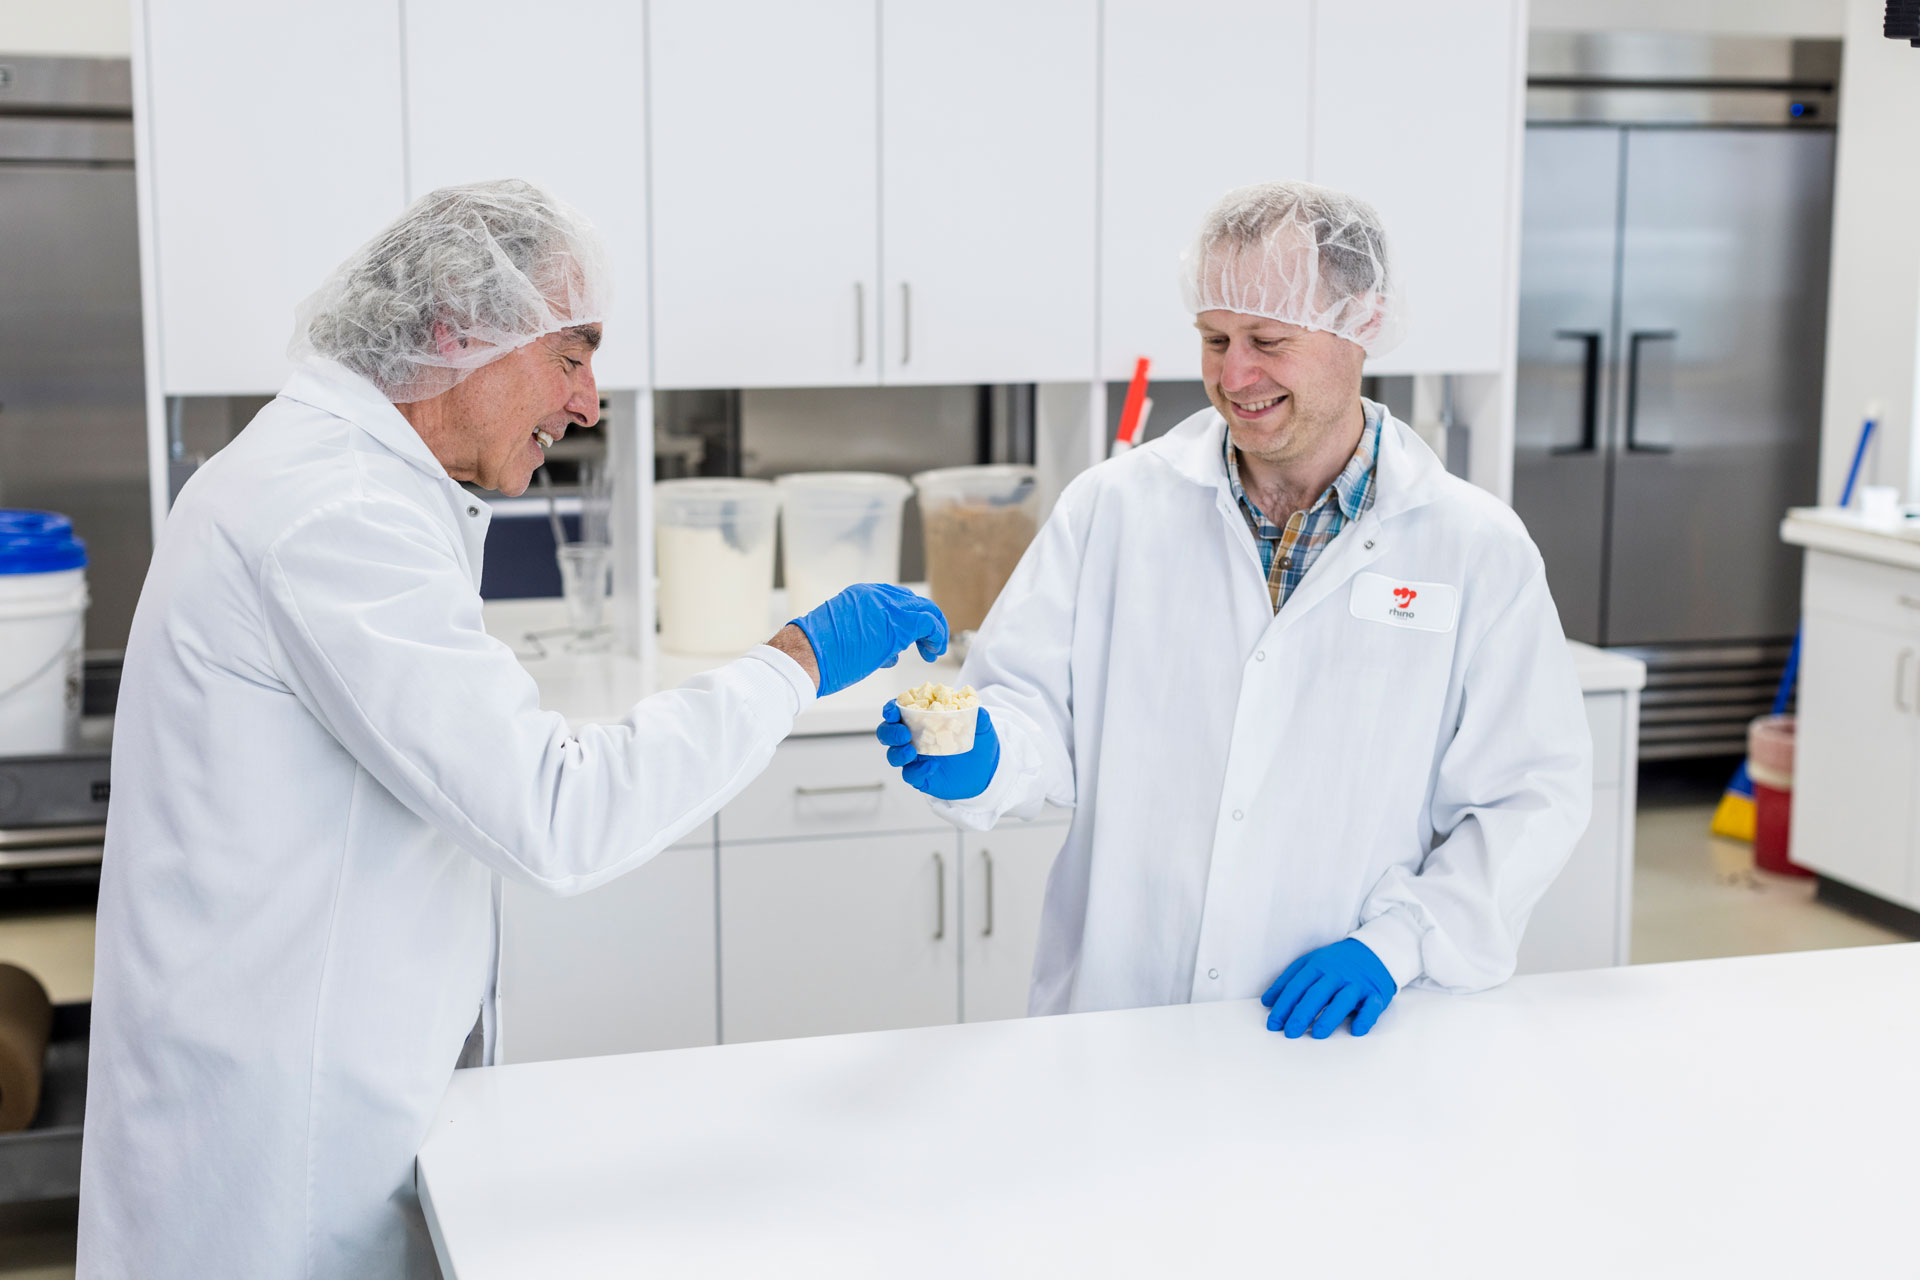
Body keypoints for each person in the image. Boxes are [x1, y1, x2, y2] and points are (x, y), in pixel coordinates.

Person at [77, 180, 946, 1278]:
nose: (588, 403)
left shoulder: (349, 481)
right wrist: (795, 662)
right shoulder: (334, 513)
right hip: (272, 1164)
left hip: (310, 1099)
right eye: (571, 355)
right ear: (455, 329)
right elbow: (556, 810)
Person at [877, 180, 1591, 1041]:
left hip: (1343, 1034)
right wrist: (987, 755)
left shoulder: (1474, 547)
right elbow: (1030, 710)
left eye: (1268, 340)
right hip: (1122, 1017)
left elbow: (1531, 794)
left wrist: (1399, 944)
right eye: (1215, 339)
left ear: (1360, 326)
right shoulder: (1114, 508)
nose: (1233, 375)